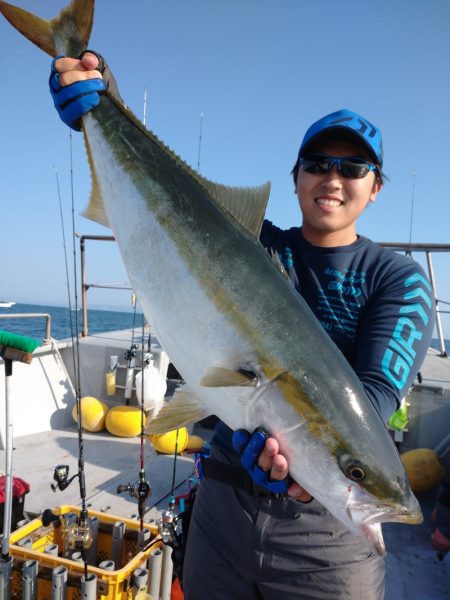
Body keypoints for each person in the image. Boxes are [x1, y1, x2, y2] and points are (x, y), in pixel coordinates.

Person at [50, 53, 435, 599]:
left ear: (375, 188)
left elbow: (370, 401)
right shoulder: (253, 246)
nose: (333, 178)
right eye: (318, 163)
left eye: (353, 169)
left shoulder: (395, 279)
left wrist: (325, 477)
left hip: (326, 550)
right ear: (296, 177)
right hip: (221, 513)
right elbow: (162, 197)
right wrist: (101, 100)